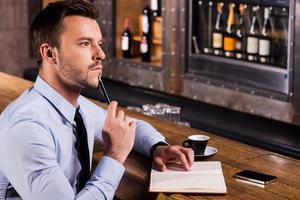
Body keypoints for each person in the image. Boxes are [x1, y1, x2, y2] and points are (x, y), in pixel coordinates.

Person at [0, 1, 194, 199]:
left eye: (99, 43)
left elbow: (129, 128)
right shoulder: (26, 128)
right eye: (85, 43)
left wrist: (158, 147)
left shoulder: (75, 107)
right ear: (50, 53)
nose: (100, 54)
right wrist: (115, 155)